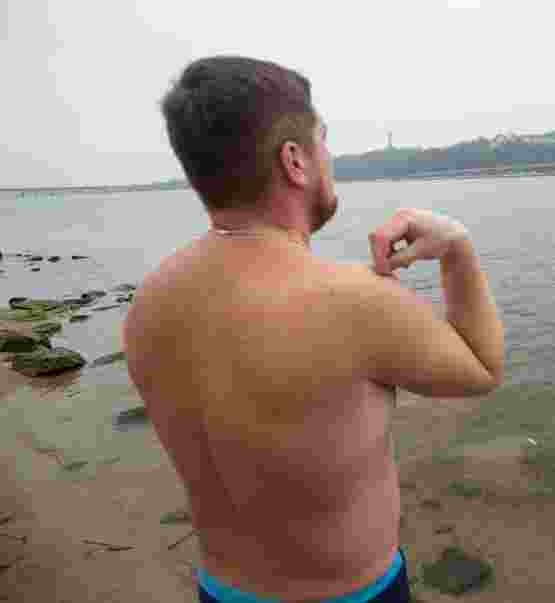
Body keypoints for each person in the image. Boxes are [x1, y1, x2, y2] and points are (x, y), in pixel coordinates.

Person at [124, 56, 505, 603]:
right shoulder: (355, 300)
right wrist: (458, 250)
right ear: (295, 160)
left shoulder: (150, 302)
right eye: (323, 141)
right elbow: (483, 368)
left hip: (220, 590)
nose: (330, 158)